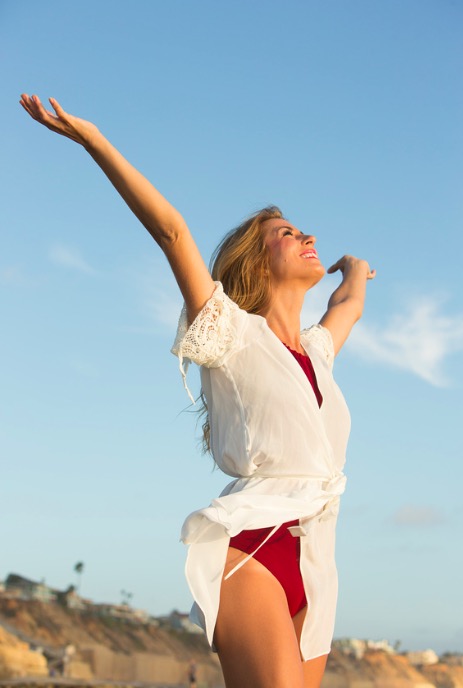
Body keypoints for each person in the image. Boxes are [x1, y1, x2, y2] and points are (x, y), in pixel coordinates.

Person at [20, 94, 375, 688]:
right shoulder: (229, 330)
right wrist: (95, 141)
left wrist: (357, 269)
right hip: (253, 550)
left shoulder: (316, 352)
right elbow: (171, 230)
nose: (306, 234)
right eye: (287, 233)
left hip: (316, 561)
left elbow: (349, 305)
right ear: (259, 264)